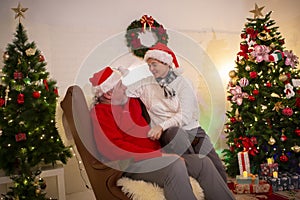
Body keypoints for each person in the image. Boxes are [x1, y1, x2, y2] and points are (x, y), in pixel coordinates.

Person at [89, 66, 235, 200]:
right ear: (108, 93)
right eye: (120, 86)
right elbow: (112, 150)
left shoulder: (130, 102)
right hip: (132, 164)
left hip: (158, 157)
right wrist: (160, 155)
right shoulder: (99, 113)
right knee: (174, 165)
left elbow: (155, 87)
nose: (125, 87)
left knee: (202, 162)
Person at [126, 43, 227, 183]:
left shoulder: (183, 83)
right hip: (170, 133)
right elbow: (125, 91)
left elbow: (185, 115)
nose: (151, 69)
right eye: (149, 65)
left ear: (166, 63)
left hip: (192, 130)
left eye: (154, 64)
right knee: (177, 135)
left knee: (217, 167)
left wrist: (160, 125)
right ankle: (197, 176)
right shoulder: (146, 84)